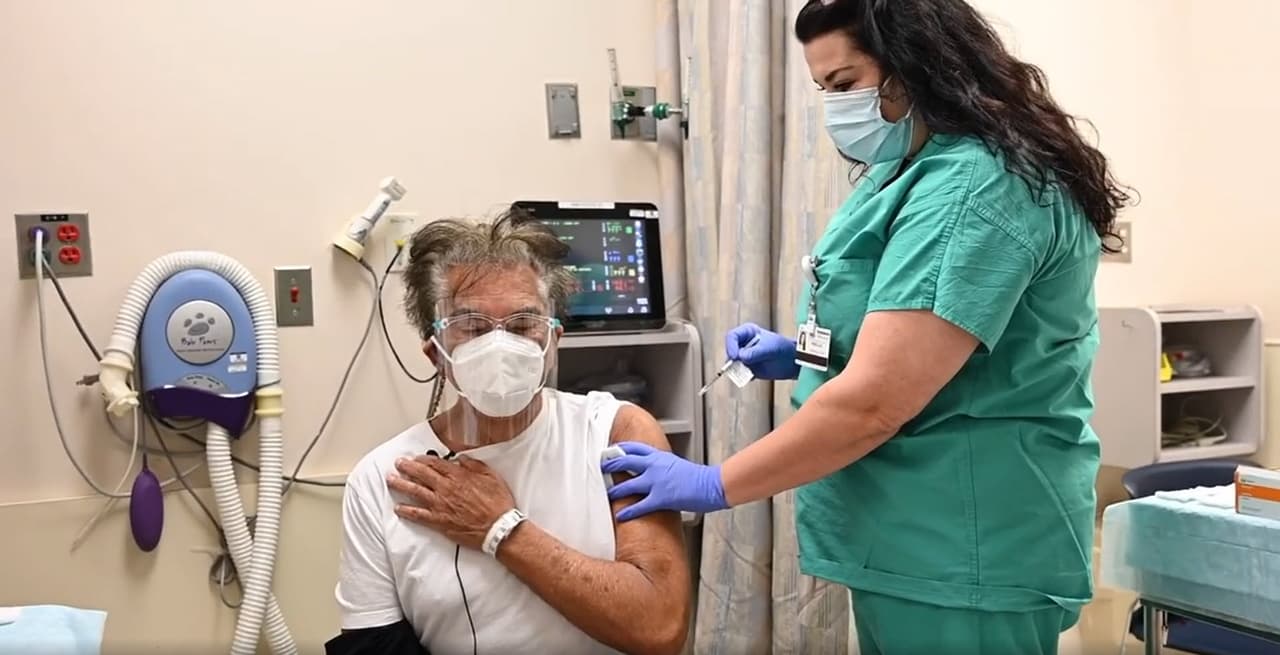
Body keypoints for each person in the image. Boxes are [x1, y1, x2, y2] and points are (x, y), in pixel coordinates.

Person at [602, 1, 1132, 653]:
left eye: (845, 83)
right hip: (910, 535)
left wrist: (715, 483)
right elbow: (927, 343)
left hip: (964, 541)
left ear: (916, 69)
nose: (833, 106)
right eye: (823, 89)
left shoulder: (978, 186)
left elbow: (877, 399)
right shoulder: (911, 169)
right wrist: (803, 354)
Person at [328, 209, 691, 655]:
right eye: (473, 328)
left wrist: (501, 529)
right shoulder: (385, 479)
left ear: (553, 341)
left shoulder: (617, 434)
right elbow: (373, 647)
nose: (500, 346)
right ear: (435, 353)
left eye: (523, 325)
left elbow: (659, 628)